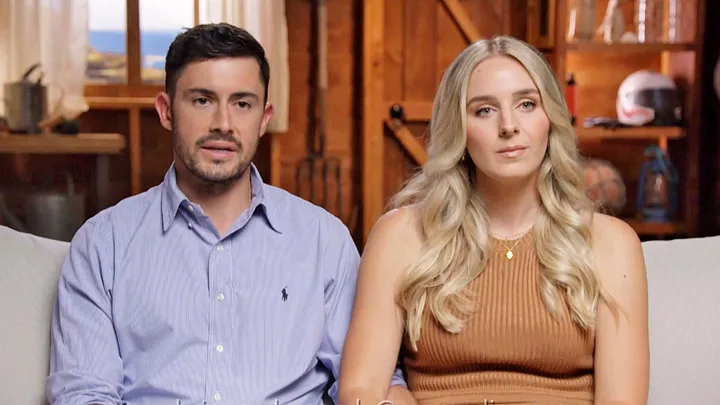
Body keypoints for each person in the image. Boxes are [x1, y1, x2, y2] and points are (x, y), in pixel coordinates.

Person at [46, 23, 411, 405]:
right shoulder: (104, 244)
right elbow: (84, 394)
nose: (223, 123)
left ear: (264, 118)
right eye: (202, 100)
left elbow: (372, 380)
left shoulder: (324, 240)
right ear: (166, 111)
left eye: (242, 103)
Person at [337, 35, 649, 405]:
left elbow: (622, 401)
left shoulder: (610, 242)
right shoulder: (401, 235)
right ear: (458, 128)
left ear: (550, 117)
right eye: (484, 110)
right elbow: (360, 391)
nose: (508, 126)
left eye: (527, 104)